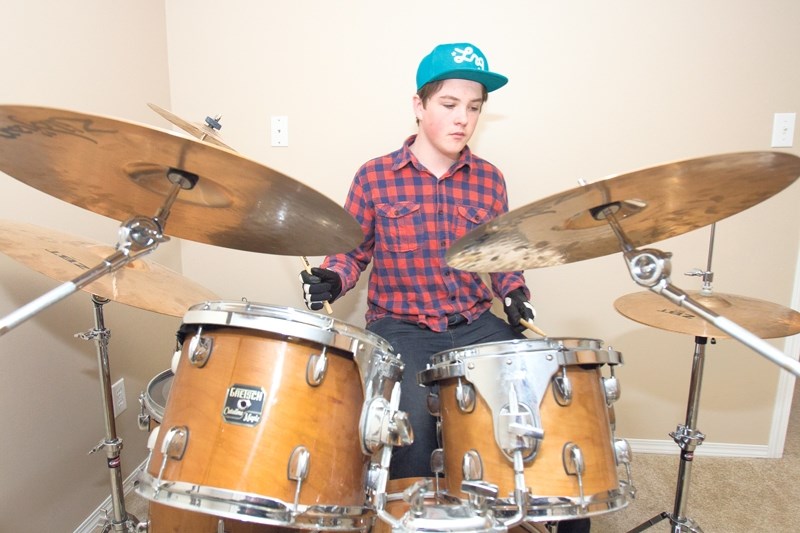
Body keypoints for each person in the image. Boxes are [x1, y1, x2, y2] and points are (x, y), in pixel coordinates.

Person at [300, 42, 589, 533]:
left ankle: (554, 512)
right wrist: (333, 278)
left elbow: (501, 257)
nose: (463, 119)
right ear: (419, 105)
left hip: (475, 325)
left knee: (551, 400)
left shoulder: (489, 180)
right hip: (403, 329)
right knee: (408, 430)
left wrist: (515, 292)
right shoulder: (374, 177)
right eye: (450, 105)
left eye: (474, 108)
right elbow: (352, 251)